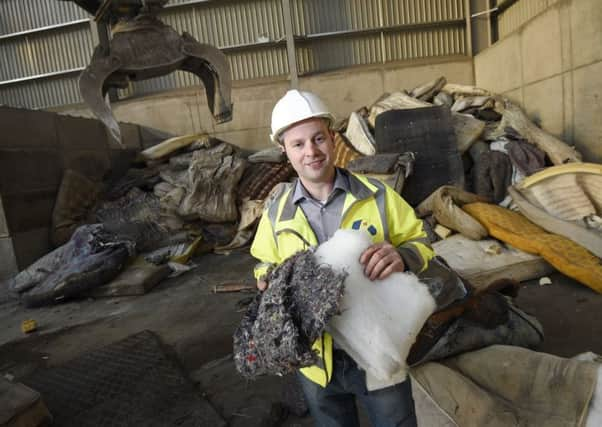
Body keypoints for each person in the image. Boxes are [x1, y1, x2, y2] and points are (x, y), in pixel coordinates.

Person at [250, 89, 435, 427]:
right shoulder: (276, 214)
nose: (311, 152)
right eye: (299, 144)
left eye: (318, 138)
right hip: (317, 357)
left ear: (332, 138)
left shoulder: (379, 196)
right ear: (284, 151)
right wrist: (267, 279)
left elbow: (421, 240)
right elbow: (263, 262)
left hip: (379, 345)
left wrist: (404, 256)